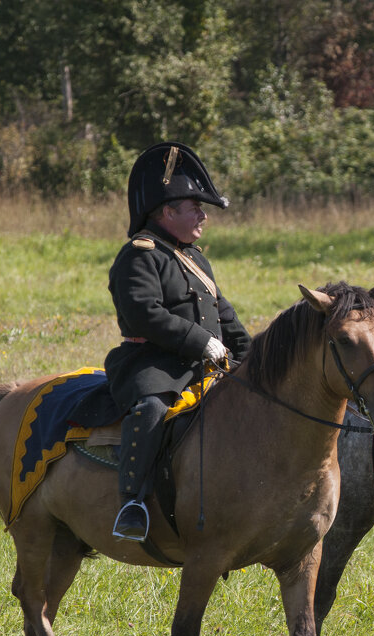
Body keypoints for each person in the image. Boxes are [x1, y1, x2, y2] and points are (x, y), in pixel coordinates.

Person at [107, 141, 251, 542]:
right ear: (168, 212)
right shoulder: (139, 256)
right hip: (151, 366)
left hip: (201, 367)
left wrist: (255, 358)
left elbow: (225, 316)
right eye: (195, 208)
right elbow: (143, 314)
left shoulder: (195, 259)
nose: (204, 215)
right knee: (152, 408)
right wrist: (201, 342)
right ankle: (132, 502)